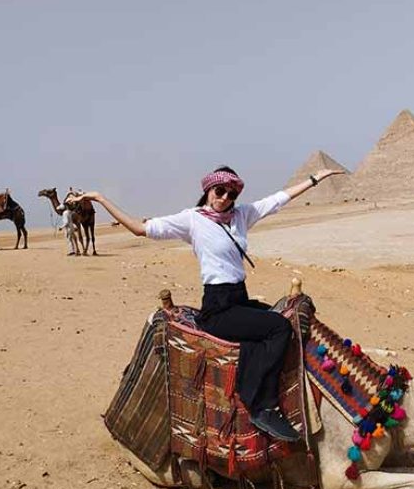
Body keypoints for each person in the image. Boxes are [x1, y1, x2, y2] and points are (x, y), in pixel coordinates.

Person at [76, 165, 343, 441]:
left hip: (239, 298)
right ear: (208, 190)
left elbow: (278, 198)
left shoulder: (241, 215)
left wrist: (316, 178)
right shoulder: (192, 219)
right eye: (219, 190)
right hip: (219, 307)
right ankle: (261, 406)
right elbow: (139, 229)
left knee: (282, 318)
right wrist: (99, 198)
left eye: (231, 193)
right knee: (278, 328)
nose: (225, 197)